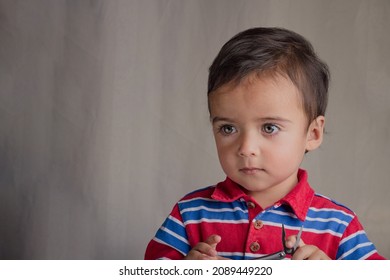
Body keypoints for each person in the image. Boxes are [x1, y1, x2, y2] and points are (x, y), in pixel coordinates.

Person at [144, 27, 385, 260]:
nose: (246, 148)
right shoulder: (190, 214)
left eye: (269, 128)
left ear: (312, 133)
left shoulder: (338, 225)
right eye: (228, 128)